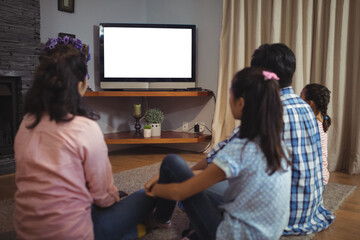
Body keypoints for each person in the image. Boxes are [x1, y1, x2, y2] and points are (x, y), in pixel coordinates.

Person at [13, 36, 155, 240]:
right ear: (80, 84)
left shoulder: (26, 123)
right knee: (146, 196)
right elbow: (103, 198)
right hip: (76, 232)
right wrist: (113, 196)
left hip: (25, 232)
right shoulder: (85, 128)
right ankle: (129, 232)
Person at [145, 67, 292, 240]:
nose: (229, 98)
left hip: (230, 236)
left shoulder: (241, 148)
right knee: (207, 188)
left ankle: (161, 219)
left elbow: (179, 192)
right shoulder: (278, 145)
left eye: (230, 93)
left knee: (172, 162)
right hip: (268, 234)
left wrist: (153, 188)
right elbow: (210, 176)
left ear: (241, 103)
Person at [251, 43, 335, 235]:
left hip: (280, 217)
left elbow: (225, 159)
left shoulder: (268, 110)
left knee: (183, 175)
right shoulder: (307, 108)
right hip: (310, 210)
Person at [300, 83, 332, 185]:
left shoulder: (312, 126)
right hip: (323, 176)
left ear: (309, 103)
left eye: (300, 96)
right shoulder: (322, 120)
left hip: (316, 179)